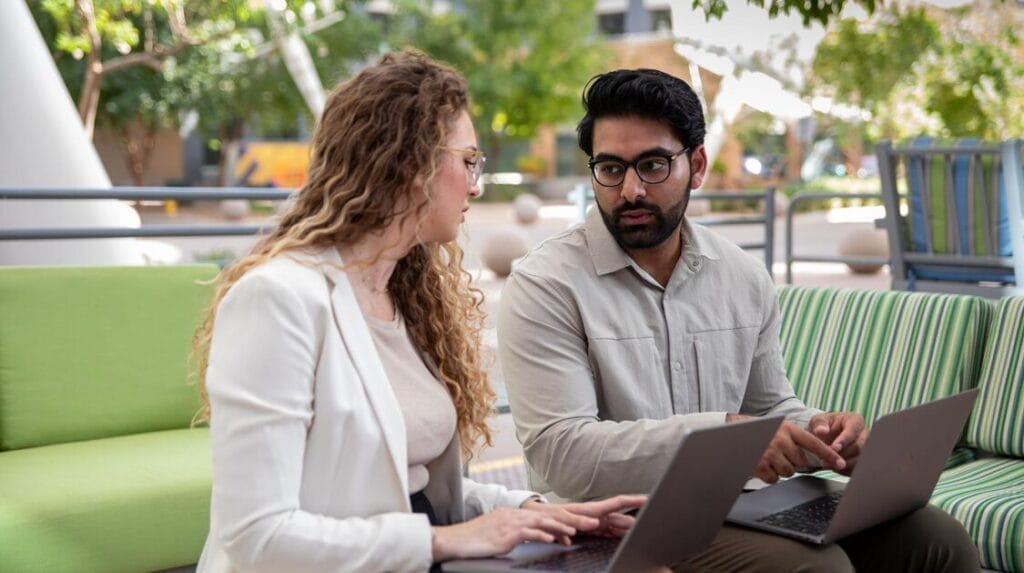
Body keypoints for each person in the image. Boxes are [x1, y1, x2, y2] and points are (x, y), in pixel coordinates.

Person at [497, 68, 979, 572]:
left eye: (654, 165)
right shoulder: (546, 284)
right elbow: (562, 455)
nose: (631, 190)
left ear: (697, 164)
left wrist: (820, 434)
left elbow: (769, 405)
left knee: (937, 539)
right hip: (616, 520)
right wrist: (727, 437)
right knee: (817, 568)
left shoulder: (742, 275)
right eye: (611, 169)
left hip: (740, 504)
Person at [192, 50, 643, 573]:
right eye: (469, 161)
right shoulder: (278, 298)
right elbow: (258, 537)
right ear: (412, 162)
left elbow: (413, 492)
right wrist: (446, 543)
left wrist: (535, 511)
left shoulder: (404, 293)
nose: (476, 184)